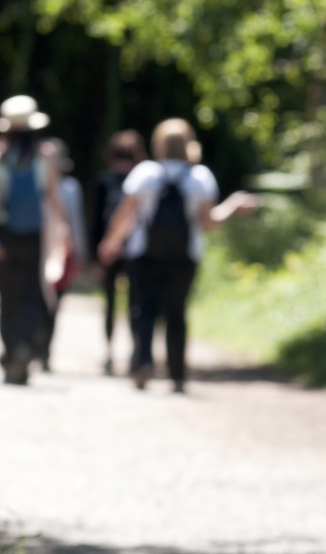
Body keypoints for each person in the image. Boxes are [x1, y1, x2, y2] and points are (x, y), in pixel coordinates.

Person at [98, 118, 259, 393]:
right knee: (177, 312)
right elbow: (209, 222)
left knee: (144, 309)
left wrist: (110, 243)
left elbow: (125, 215)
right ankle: (177, 374)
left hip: (143, 253)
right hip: (185, 255)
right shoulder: (200, 177)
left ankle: (143, 363)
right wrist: (233, 205)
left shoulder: (145, 173)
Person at [0, 96, 70, 385]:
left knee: (7, 298)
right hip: (35, 234)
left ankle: (10, 352)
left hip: (5, 234)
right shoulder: (46, 155)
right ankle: (26, 347)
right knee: (32, 294)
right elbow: (54, 197)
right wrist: (63, 231)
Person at [90, 130, 147, 375]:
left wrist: (96, 255)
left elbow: (94, 220)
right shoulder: (142, 179)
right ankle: (137, 352)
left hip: (108, 250)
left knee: (110, 304)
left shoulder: (104, 179)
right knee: (137, 303)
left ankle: (109, 353)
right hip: (136, 249)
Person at [39, 138, 88, 372]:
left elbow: (75, 224)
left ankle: (42, 350)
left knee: (47, 303)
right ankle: (42, 351)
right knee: (50, 304)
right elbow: (75, 224)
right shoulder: (69, 188)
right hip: (56, 250)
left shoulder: (64, 188)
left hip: (54, 250)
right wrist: (79, 253)